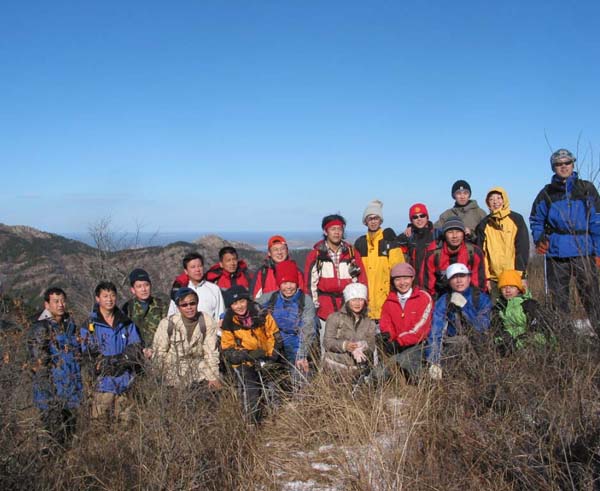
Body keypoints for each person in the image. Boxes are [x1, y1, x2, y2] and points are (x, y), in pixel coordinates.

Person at [530, 148, 600, 330]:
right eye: (559, 164)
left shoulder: (586, 189)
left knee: (592, 297)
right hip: (557, 252)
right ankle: (564, 337)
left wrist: (598, 251)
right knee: (559, 299)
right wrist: (539, 239)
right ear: (553, 167)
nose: (564, 166)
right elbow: (536, 219)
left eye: (567, 163)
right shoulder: (546, 193)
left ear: (573, 164)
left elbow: (597, 221)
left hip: (584, 250)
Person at [80, 281, 143, 422]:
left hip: (124, 383)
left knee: (126, 425)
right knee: (100, 425)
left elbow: (135, 346)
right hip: (102, 385)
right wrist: (106, 363)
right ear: (98, 299)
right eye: (105, 296)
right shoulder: (90, 324)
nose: (109, 299)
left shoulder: (126, 322)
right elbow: (88, 352)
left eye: (112, 295)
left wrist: (121, 361)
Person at [305, 214, 367, 354]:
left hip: (349, 307)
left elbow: (361, 280)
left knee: (351, 347)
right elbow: (309, 285)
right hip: (324, 308)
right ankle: (326, 368)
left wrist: (362, 304)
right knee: (327, 346)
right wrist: (312, 309)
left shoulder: (351, 253)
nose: (337, 232)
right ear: (325, 231)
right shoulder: (316, 255)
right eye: (333, 229)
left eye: (339, 229)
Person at [28, 287, 82, 447]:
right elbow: (39, 365)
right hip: (52, 395)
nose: (60, 305)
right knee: (53, 440)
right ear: (47, 305)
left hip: (70, 392)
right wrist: (49, 397)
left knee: (70, 438)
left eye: (63, 301)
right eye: (56, 301)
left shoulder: (70, 325)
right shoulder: (41, 328)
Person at [220, 286, 282, 422]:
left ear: (248, 300)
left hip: (266, 356)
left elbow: (274, 336)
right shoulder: (229, 322)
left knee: (274, 385)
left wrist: (271, 355)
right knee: (251, 389)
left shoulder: (262, 314)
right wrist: (248, 355)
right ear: (230, 306)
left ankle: (276, 418)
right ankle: (252, 421)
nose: (239, 306)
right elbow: (228, 350)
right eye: (235, 303)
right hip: (244, 362)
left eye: (242, 301)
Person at [426, 263, 492, 380]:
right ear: (449, 281)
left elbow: (482, 326)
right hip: (453, 346)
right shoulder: (444, 301)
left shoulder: (481, 298)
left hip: (479, 347)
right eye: (454, 277)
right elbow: (436, 331)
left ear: (469, 278)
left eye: (462, 276)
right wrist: (434, 361)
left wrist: (465, 307)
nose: (459, 281)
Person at [258, 260, 317, 388]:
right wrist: (225, 317)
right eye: (284, 283)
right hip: (275, 346)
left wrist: (302, 355)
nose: (288, 287)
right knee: (273, 382)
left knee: (300, 380)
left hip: (297, 345)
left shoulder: (305, 301)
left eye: (292, 282)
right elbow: (247, 307)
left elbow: (308, 329)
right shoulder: (270, 298)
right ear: (279, 284)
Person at [153, 288, 221, 393]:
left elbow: (211, 352)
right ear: (178, 307)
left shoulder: (206, 321)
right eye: (184, 305)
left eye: (192, 303)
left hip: (200, 373)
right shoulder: (167, 323)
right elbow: (159, 352)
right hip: (172, 373)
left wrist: (213, 377)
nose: (189, 307)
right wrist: (161, 376)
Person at [379, 263, 433, 380]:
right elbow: (386, 323)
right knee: (381, 370)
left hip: (419, 344)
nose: (402, 283)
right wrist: (388, 337)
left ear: (412, 278)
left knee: (404, 360)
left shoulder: (423, 297)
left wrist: (398, 342)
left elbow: (421, 329)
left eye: (406, 278)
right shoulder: (389, 301)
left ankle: (423, 382)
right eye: (397, 279)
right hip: (398, 345)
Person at [354, 200, 405, 322]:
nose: (373, 221)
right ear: (365, 221)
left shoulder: (389, 241)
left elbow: (399, 270)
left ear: (380, 220)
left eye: (376, 218)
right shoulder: (360, 243)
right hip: (364, 303)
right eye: (370, 218)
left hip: (385, 301)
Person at [476, 187, 530, 301]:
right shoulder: (484, 224)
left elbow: (522, 249)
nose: (495, 202)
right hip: (493, 278)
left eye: (498, 198)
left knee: (517, 309)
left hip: (514, 276)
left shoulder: (516, 219)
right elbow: (482, 254)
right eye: (491, 199)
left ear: (504, 199)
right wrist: (486, 278)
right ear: (487, 203)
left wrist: (521, 275)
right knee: (495, 309)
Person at [422, 216, 486, 298]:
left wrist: (475, 301)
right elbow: (428, 285)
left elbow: (479, 283)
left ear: (463, 233)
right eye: (450, 232)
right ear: (445, 235)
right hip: (442, 297)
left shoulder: (474, 252)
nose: (454, 236)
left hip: (468, 297)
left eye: (458, 231)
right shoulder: (433, 254)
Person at [322, 283, 377, 377]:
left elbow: (371, 345)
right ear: (347, 301)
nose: (357, 303)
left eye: (360, 299)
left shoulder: (369, 322)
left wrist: (362, 346)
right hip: (334, 367)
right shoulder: (335, 318)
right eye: (353, 300)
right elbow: (327, 342)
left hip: (358, 370)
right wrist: (345, 345)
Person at [491, 270, 550, 356]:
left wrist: (519, 343)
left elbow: (539, 333)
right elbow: (496, 331)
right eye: (504, 287)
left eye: (512, 287)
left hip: (530, 346)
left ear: (518, 289)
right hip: (509, 346)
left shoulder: (529, 305)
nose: (507, 290)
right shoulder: (499, 308)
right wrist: (503, 339)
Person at [121, 268, 168, 359]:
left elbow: (167, 330)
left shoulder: (162, 305)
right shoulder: (128, 308)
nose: (144, 289)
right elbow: (124, 333)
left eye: (146, 285)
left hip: (159, 353)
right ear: (133, 290)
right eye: (139, 286)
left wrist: (154, 349)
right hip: (136, 356)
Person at [168, 252, 225, 322]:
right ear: (186, 271)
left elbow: (220, 315)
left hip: (210, 328)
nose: (197, 270)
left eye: (200, 266)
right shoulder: (180, 290)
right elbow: (171, 315)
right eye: (193, 267)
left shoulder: (214, 289)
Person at [395, 203, 437, 285]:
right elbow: (392, 246)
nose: (419, 219)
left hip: (434, 286)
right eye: (415, 217)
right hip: (413, 285)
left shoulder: (436, 235)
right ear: (411, 220)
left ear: (427, 217)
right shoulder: (406, 237)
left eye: (422, 216)